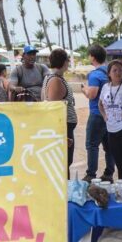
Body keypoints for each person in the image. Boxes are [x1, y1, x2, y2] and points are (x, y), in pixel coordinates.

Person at [83, 44, 116, 182]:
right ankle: (109, 173)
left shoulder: (95, 74)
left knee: (92, 145)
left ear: (93, 57)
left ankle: (91, 175)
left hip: (97, 114)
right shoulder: (110, 72)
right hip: (111, 115)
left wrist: (84, 89)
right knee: (109, 147)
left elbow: (92, 94)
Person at [43, 48, 78, 176]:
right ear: (64, 62)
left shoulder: (55, 78)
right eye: (67, 60)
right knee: (63, 163)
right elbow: (53, 109)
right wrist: (62, 135)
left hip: (65, 127)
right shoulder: (55, 80)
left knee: (65, 162)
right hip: (62, 128)